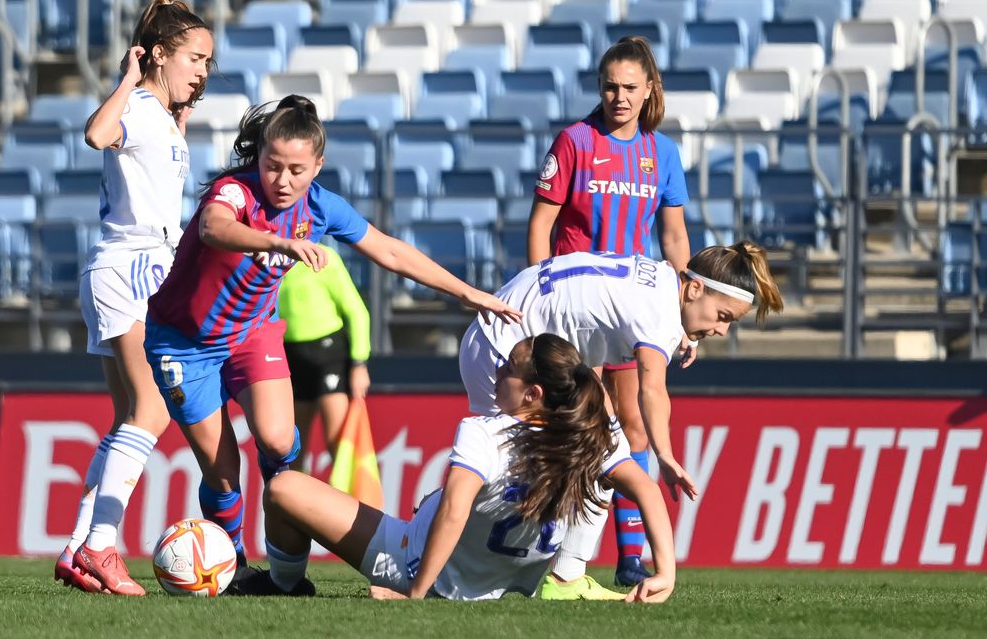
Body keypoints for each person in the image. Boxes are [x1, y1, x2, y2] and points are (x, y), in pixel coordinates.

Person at [142, 95, 522, 595]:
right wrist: (277, 242)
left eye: (296, 169)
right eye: (272, 165)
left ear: (317, 165)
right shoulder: (235, 192)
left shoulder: (320, 205)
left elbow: (388, 249)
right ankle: (230, 565)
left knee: (279, 442)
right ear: (259, 158)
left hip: (252, 333)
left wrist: (468, 292)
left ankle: (285, 549)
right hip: (183, 342)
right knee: (224, 471)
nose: (282, 180)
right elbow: (215, 228)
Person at [237, 333, 676, 602]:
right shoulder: (592, 438)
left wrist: (414, 591)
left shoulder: (485, 432)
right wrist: (665, 575)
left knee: (284, 487)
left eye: (508, 368)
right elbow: (649, 491)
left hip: (411, 558)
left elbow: (454, 511)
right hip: (498, 582)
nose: (498, 371)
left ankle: (285, 584)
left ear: (532, 394)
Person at [459, 242, 783, 599]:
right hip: (506, 352)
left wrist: (685, 333)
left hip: (512, 338)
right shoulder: (660, 312)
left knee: (607, 447)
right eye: (723, 317)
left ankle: (566, 578)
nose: (722, 331)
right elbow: (652, 389)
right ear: (694, 288)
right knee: (505, 470)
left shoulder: (662, 284)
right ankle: (453, 563)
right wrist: (666, 456)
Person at [55, 0, 214, 596]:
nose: (202, 69)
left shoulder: (164, 117)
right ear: (161, 56)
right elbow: (98, 133)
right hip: (130, 269)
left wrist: (180, 115)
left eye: (208, 60)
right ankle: (101, 545)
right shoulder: (139, 108)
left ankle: (77, 547)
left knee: (128, 416)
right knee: (150, 412)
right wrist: (128, 79)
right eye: (194, 57)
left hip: (126, 269)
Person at [526, 36, 693, 587]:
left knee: (636, 426)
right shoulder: (575, 141)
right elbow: (541, 227)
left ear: (649, 90)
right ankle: (548, 552)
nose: (618, 97)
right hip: (576, 311)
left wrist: (680, 313)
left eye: (629, 88)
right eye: (609, 86)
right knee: (579, 427)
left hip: (632, 306)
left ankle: (629, 557)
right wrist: (541, 298)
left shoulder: (662, 153)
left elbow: (673, 237)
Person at [278, 243, 372, 470]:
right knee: (290, 448)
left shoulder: (324, 257)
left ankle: (346, 503)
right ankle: (297, 504)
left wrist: (359, 363)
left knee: (338, 442)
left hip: (328, 356)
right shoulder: (272, 260)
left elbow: (357, 311)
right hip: (291, 358)